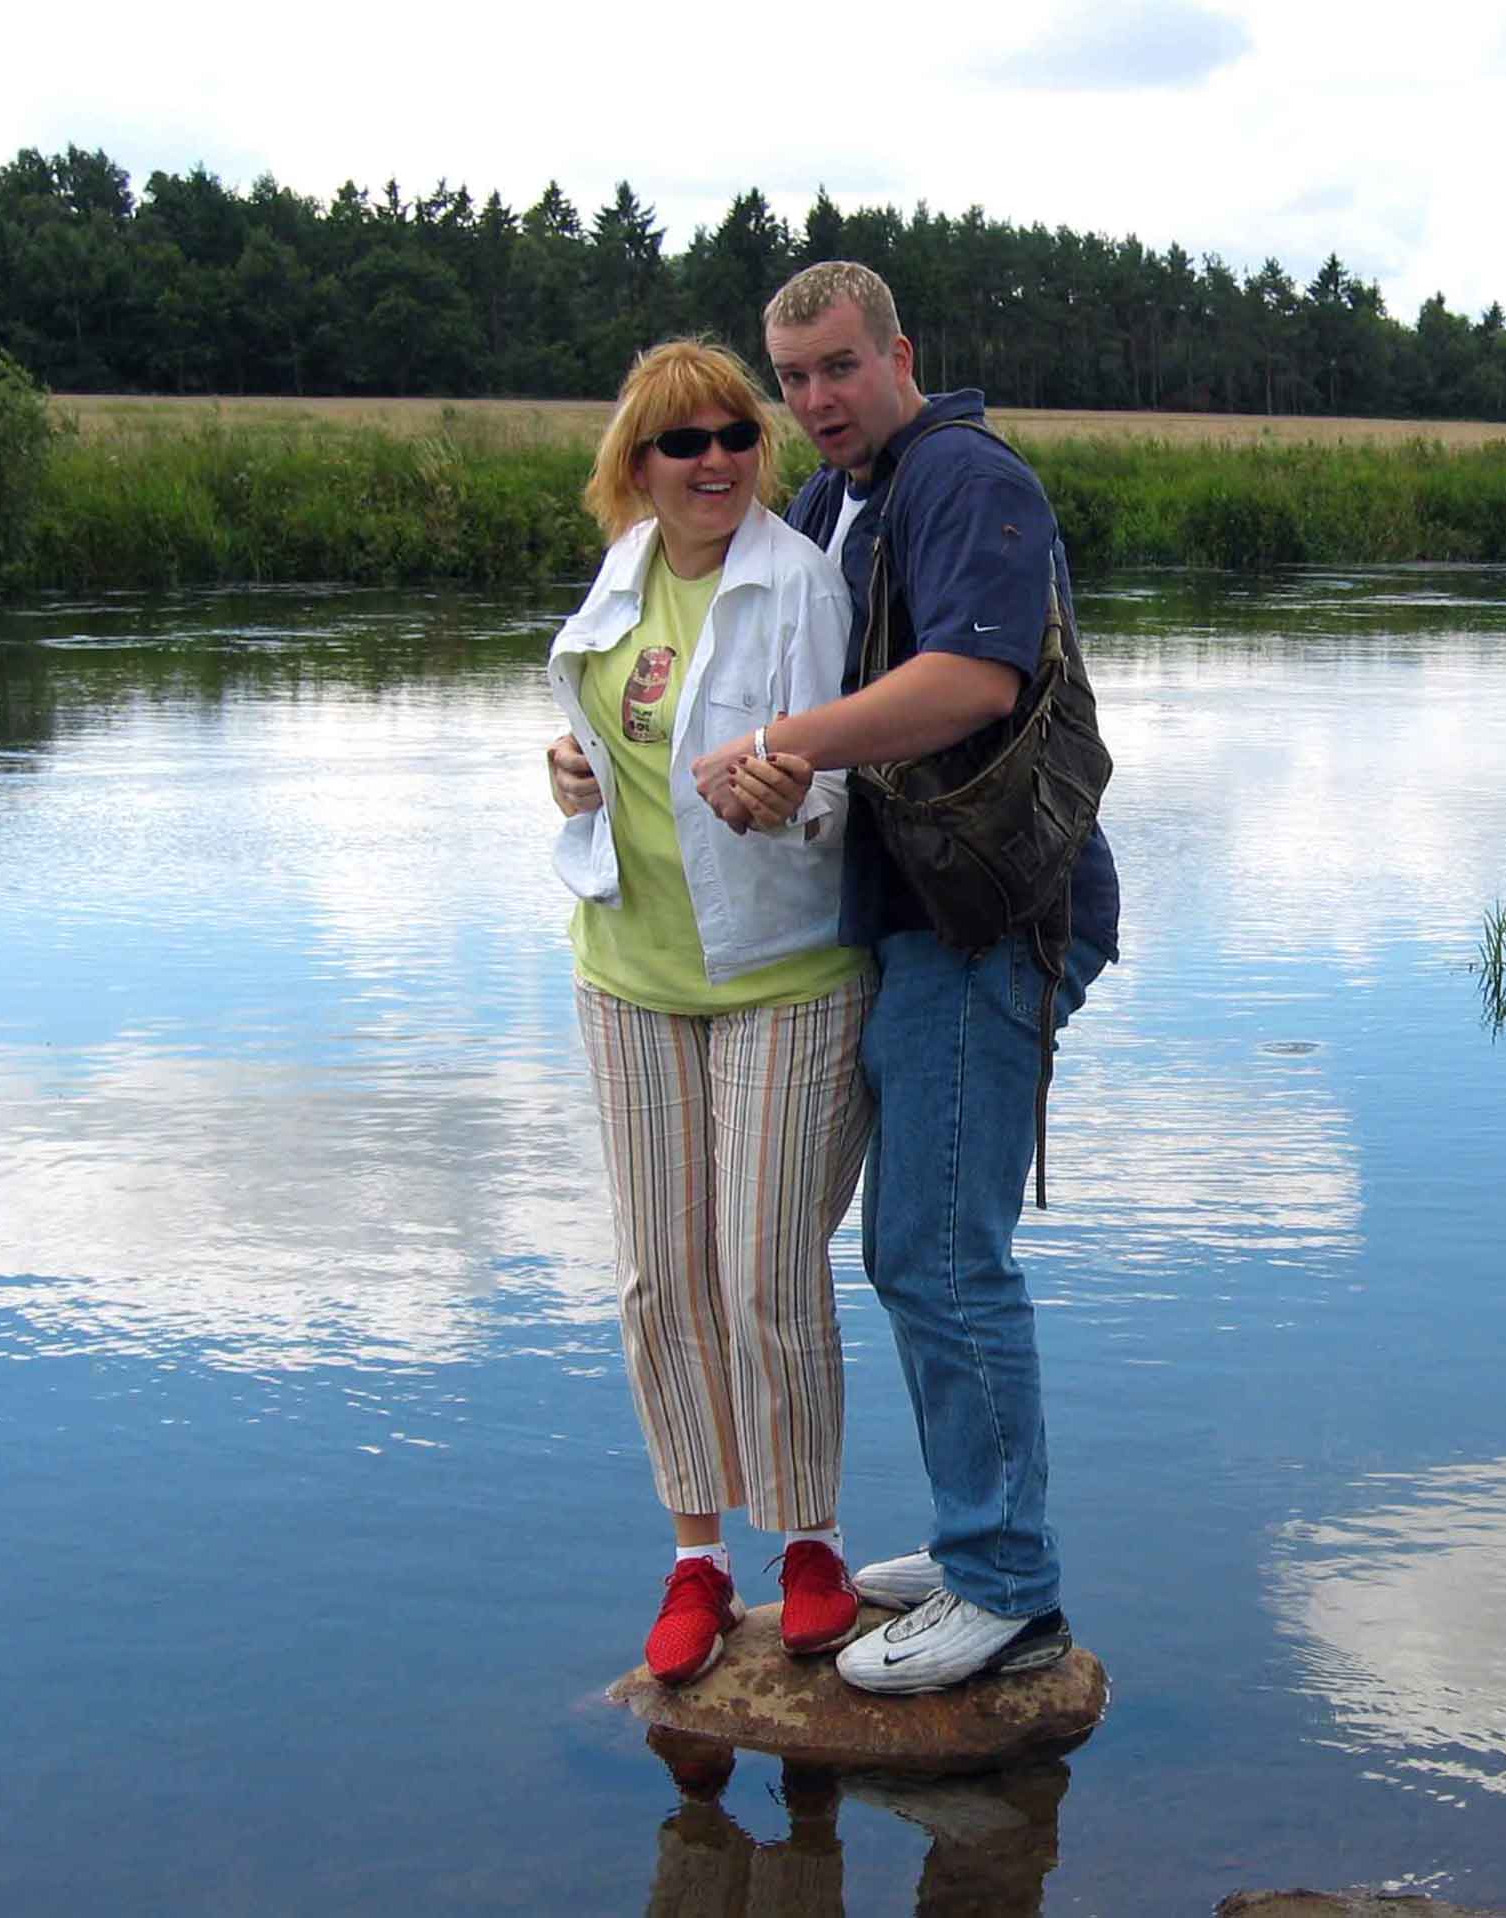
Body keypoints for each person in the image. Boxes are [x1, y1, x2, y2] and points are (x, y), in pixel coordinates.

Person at [691, 261, 1120, 1694]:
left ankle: (1009, 1590)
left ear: (898, 355)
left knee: (939, 1251)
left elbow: (973, 681)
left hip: (992, 922)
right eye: (792, 377)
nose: (815, 398)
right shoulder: (837, 499)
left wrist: (787, 745)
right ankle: (976, 1538)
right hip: (914, 919)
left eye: (838, 367)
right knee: (913, 1249)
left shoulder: (963, 477)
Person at [542, 338, 875, 1686]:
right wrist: (568, 768)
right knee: (657, 1275)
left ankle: (811, 1546)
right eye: (685, 442)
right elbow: (605, 734)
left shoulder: (798, 583)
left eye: (738, 434)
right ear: (638, 465)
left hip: (781, 974)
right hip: (628, 973)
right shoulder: (621, 574)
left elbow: (840, 782)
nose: (718, 460)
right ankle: (697, 1557)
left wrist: (791, 798)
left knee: (765, 1268)